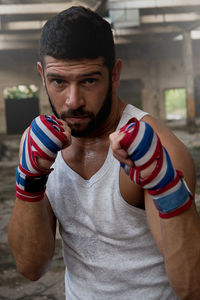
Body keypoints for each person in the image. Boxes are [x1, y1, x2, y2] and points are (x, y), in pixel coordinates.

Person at [8, 6, 200, 300]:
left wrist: (166, 185)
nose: (73, 101)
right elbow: (31, 267)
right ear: (41, 75)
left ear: (115, 74)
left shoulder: (158, 147)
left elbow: (192, 287)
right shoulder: (36, 145)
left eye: (89, 81)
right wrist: (29, 180)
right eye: (59, 81)